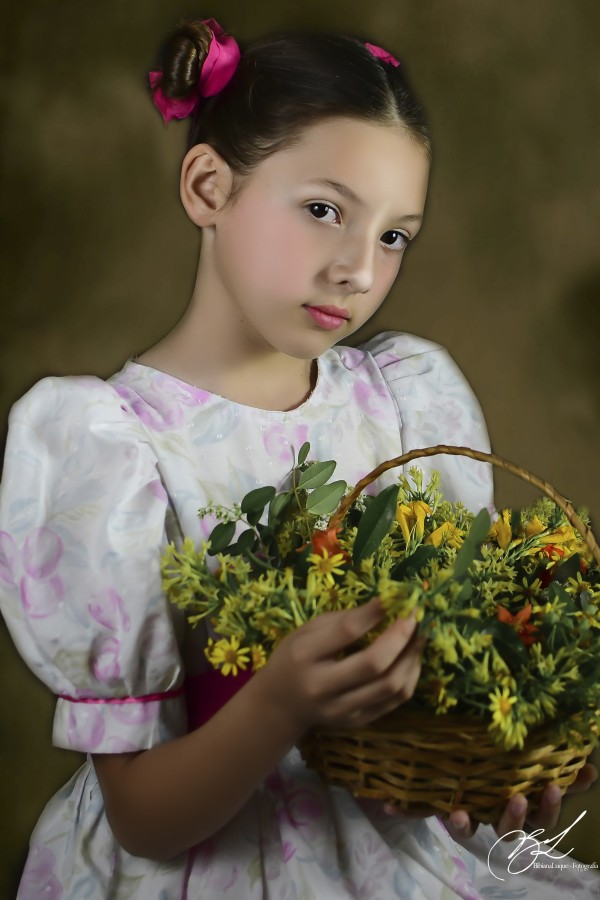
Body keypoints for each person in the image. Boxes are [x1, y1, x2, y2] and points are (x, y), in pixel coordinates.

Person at [0, 16, 597, 900]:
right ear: (209, 187)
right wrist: (280, 701)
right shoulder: (107, 445)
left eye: (395, 235)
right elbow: (144, 821)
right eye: (324, 210)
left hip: (394, 857)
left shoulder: (403, 399)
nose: (358, 268)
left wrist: (494, 759)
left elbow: (437, 694)